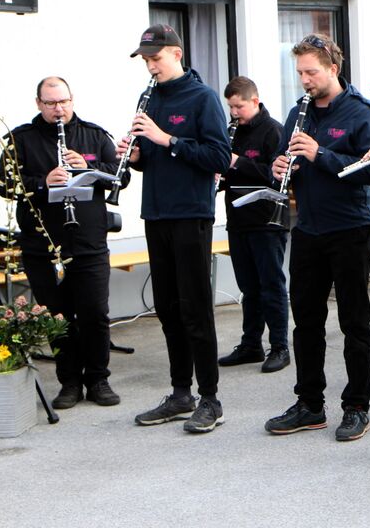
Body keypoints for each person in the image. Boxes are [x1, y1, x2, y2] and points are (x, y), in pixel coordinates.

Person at [264, 33, 370, 442]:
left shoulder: (361, 113)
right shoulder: (297, 112)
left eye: (311, 72)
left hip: (351, 228)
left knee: (354, 321)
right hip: (309, 228)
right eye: (300, 73)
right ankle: (310, 403)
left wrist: (320, 154)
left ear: (333, 68)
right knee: (306, 321)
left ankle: (357, 406)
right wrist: (279, 167)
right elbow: (283, 159)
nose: (304, 80)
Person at [120, 24, 232, 433]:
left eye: (156, 58)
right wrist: (135, 156)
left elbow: (219, 157)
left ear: (177, 54)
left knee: (194, 307)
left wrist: (167, 139)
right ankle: (181, 393)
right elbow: (153, 158)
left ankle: (211, 398)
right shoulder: (149, 97)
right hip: (157, 213)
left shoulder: (203, 98)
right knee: (167, 308)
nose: (151, 67)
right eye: (146, 61)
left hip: (190, 213)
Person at [0, 77, 124, 409]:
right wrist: (42, 183)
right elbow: (4, 184)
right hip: (43, 246)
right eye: (51, 103)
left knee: (95, 313)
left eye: (63, 102)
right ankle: (69, 382)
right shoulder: (20, 140)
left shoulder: (94, 135)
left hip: (88, 242)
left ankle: (98, 379)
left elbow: (120, 175)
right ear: (38, 103)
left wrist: (88, 166)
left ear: (72, 100)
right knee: (57, 316)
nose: (58, 109)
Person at [217, 76, 290, 373]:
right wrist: (220, 175)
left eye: (239, 107)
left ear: (255, 101)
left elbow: (277, 176)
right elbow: (230, 168)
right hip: (238, 219)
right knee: (248, 287)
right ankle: (251, 345)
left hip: (266, 220)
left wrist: (236, 162)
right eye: (231, 107)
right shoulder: (232, 132)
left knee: (271, 285)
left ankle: (280, 346)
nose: (234, 113)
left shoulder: (274, 131)